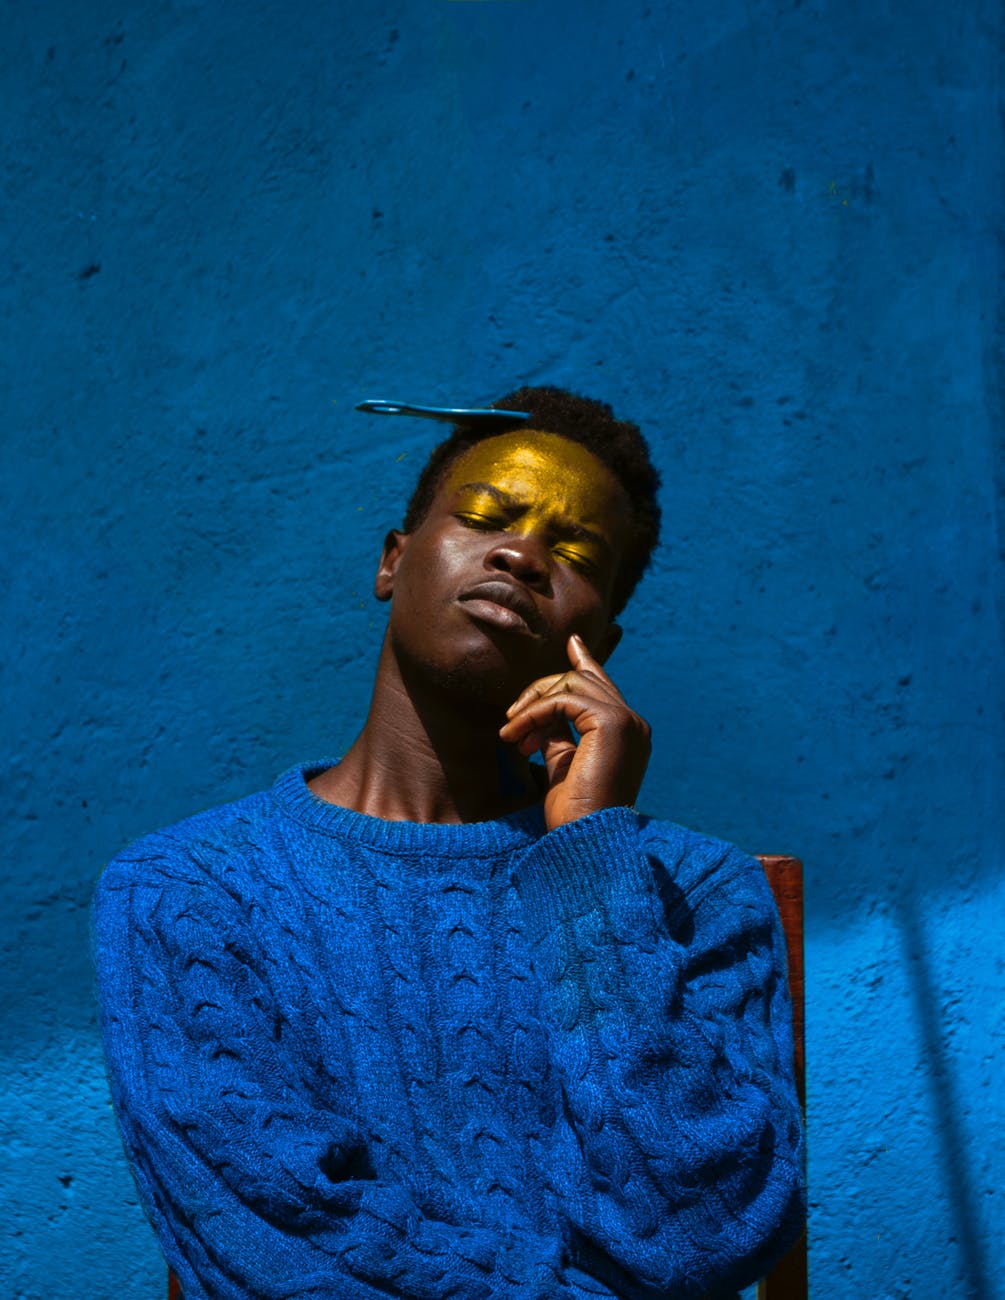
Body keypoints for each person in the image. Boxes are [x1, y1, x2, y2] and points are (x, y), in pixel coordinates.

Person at [93, 386, 805, 1300]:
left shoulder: (693, 892)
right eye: (485, 517)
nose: (521, 553)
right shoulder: (186, 889)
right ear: (393, 561)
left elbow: (706, 1232)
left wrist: (590, 853)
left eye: (575, 549)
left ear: (603, 640)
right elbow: (276, 1240)